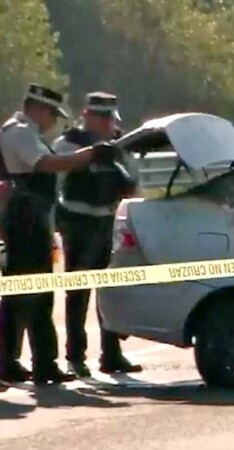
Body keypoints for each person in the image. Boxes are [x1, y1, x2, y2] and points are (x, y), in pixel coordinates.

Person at [0, 84, 115, 385]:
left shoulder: (25, 133)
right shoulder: (20, 132)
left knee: (19, 295)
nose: (53, 121)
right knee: (36, 295)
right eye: (52, 114)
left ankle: (8, 360)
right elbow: (48, 164)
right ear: (39, 108)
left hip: (30, 219)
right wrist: (90, 155)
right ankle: (43, 364)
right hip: (25, 221)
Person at [53, 92, 142, 378]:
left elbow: (132, 181)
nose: (106, 123)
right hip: (78, 221)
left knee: (110, 290)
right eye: (100, 117)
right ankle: (75, 355)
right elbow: (56, 180)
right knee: (78, 291)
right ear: (86, 114)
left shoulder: (118, 145)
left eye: (109, 118)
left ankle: (112, 354)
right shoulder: (69, 143)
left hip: (107, 220)